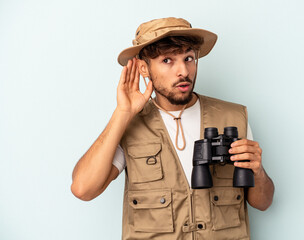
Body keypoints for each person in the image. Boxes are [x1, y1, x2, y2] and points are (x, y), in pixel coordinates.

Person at [71, 17, 274, 239]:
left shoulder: (233, 117)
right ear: (143, 68)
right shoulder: (129, 125)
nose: (183, 71)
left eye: (189, 58)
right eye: (167, 60)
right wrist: (123, 114)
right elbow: (83, 189)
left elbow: (262, 203)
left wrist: (259, 172)